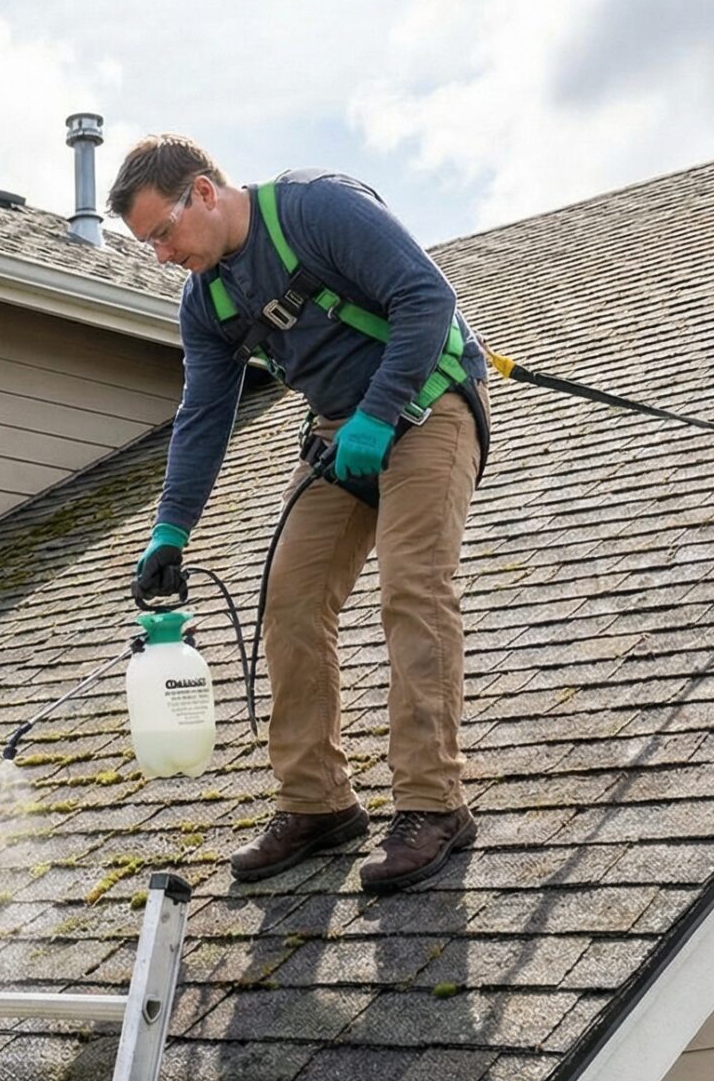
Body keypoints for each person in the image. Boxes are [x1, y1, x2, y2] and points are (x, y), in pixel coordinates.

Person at [112, 136, 490, 891]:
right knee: (288, 597)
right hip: (337, 429)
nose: (158, 255)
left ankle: (432, 802)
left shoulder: (317, 206)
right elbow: (203, 414)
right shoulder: (208, 299)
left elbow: (427, 297)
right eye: (146, 242)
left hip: (429, 401)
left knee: (411, 585)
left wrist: (379, 415)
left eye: (162, 233)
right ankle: (317, 802)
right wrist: (170, 528)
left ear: (205, 194)